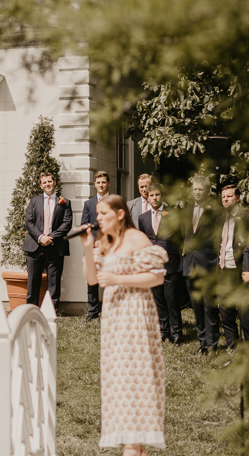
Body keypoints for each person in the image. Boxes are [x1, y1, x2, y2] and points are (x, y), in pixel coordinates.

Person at [80, 195, 167, 455]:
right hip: (114, 320)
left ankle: (133, 442)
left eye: (103, 214)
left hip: (136, 315)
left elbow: (157, 277)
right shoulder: (106, 243)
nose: (98, 219)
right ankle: (133, 444)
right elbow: (92, 280)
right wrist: (87, 249)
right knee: (118, 376)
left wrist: (118, 278)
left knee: (135, 375)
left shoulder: (135, 238)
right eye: (97, 215)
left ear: (119, 214)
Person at [137, 183, 184, 345]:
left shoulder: (171, 213)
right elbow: (143, 240)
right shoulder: (143, 218)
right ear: (147, 197)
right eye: (151, 196)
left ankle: (177, 333)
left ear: (161, 196)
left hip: (170, 263)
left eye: (157, 195)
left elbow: (178, 236)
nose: (154, 198)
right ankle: (163, 332)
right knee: (159, 300)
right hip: (152, 265)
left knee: (171, 299)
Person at [22, 172, 72, 310]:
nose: (47, 184)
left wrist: (51, 238)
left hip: (55, 246)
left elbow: (67, 223)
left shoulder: (65, 202)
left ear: (54, 182)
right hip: (35, 246)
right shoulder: (34, 201)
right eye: (44, 182)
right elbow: (29, 222)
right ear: (40, 185)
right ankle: (30, 310)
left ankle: (51, 311)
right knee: (33, 281)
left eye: (49, 181)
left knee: (54, 282)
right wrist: (40, 237)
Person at [182, 175, 219, 354]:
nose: (197, 192)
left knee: (209, 307)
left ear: (207, 191)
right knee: (196, 307)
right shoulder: (187, 211)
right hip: (190, 265)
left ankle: (212, 345)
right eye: (195, 189)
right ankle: (202, 343)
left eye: (200, 189)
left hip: (208, 265)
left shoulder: (215, 211)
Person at [214, 184, 249, 349]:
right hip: (223, 273)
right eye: (223, 197)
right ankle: (233, 353)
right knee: (227, 317)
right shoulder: (219, 219)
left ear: (237, 198)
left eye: (229, 196)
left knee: (246, 319)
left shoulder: (247, 217)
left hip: (241, 274)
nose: (225, 199)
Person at [80, 170, 110, 321]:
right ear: (94, 184)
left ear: (108, 183)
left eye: (103, 182)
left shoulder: (115, 201)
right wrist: (93, 240)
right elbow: (84, 226)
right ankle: (93, 311)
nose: (101, 185)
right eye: (98, 182)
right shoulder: (88, 204)